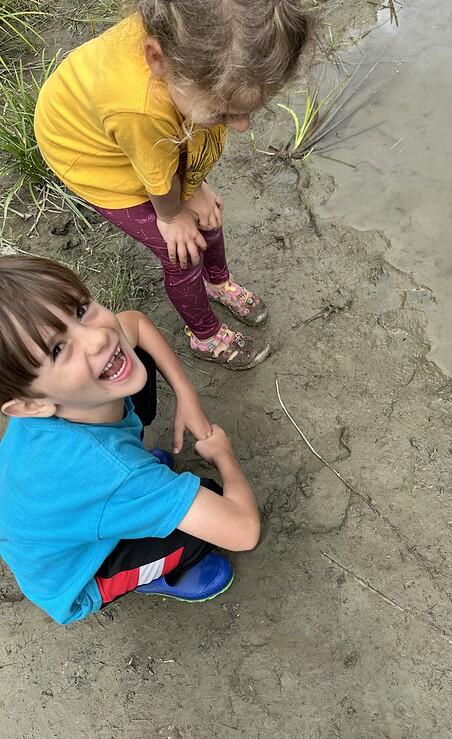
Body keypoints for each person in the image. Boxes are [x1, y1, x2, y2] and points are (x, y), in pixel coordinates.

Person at [34, 0, 309, 370]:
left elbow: (175, 147)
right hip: (92, 155)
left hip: (139, 138)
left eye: (251, 110)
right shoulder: (141, 109)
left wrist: (195, 187)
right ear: (157, 59)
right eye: (225, 112)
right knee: (182, 250)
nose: (241, 126)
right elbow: (157, 170)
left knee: (207, 217)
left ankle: (218, 283)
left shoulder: (185, 36)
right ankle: (205, 335)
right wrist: (173, 212)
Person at [0, 256, 260, 625]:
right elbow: (243, 530)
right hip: (81, 576)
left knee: (133, 356)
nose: (96, 338)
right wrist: (223, 454)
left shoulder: (68, 395)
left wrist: (187, 395)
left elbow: (134, 324)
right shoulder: (111, 471)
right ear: (29, 405)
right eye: (58, 350)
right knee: (212, 500)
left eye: (81, 309)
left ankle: (132, 503)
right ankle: (156, 575)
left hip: (57, 512)